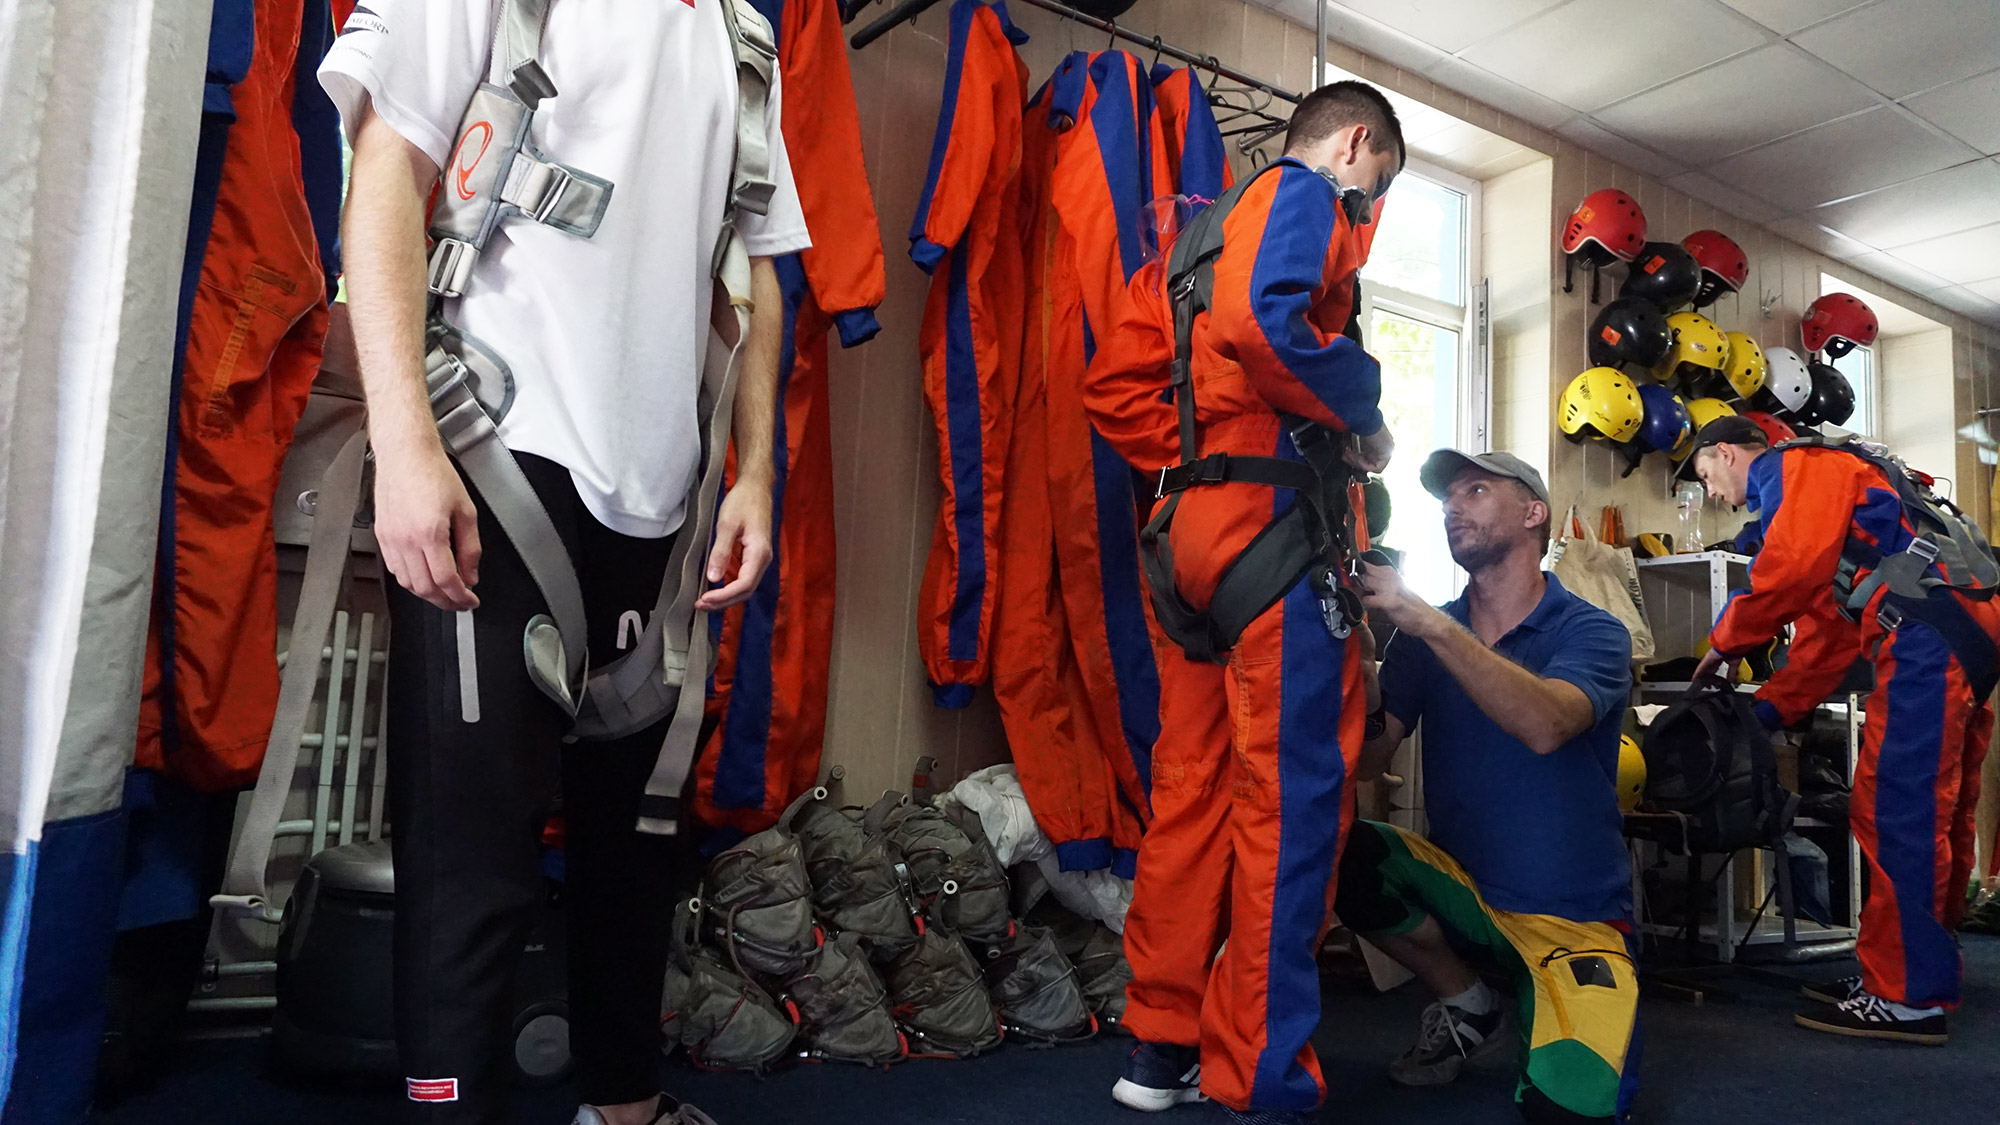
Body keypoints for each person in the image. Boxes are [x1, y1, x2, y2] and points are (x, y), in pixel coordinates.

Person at [322, 1, 809, 1121]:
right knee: (470, 856)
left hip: (661, 497)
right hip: (501, 451)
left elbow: (754, 267)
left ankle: (624, 1105)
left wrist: (753, 473)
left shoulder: (742, 37)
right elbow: (387, 168)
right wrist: (405, 446)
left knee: (635, 845)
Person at [1089, 80, 1401, 1125]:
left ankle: (1160, 1048)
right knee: (1291, 804)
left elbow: (1112, 388)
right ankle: (1257, 1072)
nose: (1367, 209)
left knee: (1188, 794)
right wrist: (1359, 416)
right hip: (1275, 542)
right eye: (1376, 186)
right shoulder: (1304, 194)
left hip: (1186, 541)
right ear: (1354, 144)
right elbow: (1266, 323)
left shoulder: (1185, 248)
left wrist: (1201, 456)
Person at [1343, 449, 1641, 1125]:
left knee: (1569, 1113)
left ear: (1534, 513)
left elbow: (1545, 724)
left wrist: (1427, 621)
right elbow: (1367, 761)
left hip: (1571, 921)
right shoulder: (1423, 641)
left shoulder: (1593, 632)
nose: (1453, 507)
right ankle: (1468, 1003)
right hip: (1465, 898)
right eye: (1448, 497)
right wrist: (1359, 672)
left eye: (1475, 490)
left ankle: (1548, 1011)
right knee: (1338, 850)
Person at [1690, 416, 1999, 1044]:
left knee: (1895, 809)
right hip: (1962, 630)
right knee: (1933, 809)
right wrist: (1764, 713)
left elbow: (1790, 567)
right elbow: (1826, 641)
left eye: (1706, 476)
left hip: (1924, 634)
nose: (1714, 494)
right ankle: (1912, 970)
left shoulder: (1797, 466)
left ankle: (1905, 996)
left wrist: (1725, 642)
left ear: (1726, 453)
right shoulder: (1846, 505)